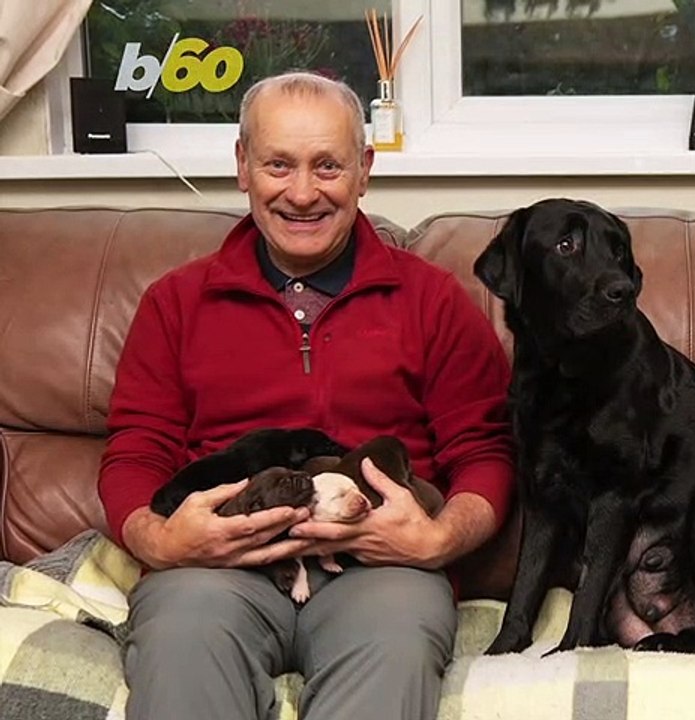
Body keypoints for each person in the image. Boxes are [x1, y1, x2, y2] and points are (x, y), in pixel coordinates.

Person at [98, 72, 515, 720]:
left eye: (327, 166)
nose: (301, 193)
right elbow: (134, 453)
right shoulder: (175, 303)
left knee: (396, 646)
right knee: (179, 644)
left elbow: (487, 450)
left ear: (364, 170)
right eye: (277, 164)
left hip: (383, 573)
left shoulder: (432, 299)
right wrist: (162, 542)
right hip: (215, 573)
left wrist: (437, 540)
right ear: (243, 166)